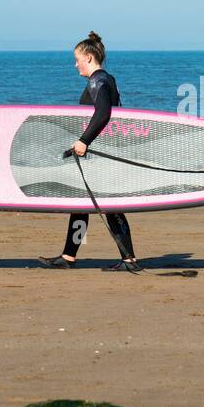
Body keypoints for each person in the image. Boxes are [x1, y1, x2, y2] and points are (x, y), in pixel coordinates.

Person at [38, 32, 142, 273]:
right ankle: (69, 256)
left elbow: (104, 113)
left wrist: (84, 141)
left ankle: (129, 260)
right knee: (81, 204)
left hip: (99, 153)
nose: (75, 65)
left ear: (89, 57)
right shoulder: (109, 79)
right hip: (104, 150)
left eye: (77, 60)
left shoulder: (97, 81)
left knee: (111, 207)